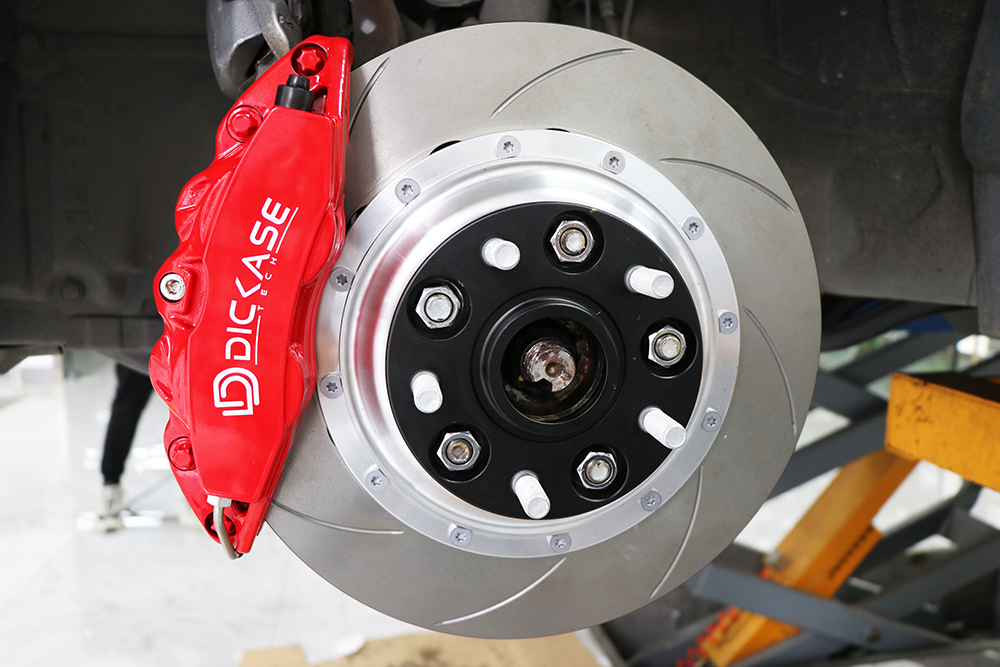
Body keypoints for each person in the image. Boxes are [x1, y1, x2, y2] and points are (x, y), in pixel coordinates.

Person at [96, 363, 153, 532]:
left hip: (186, 347)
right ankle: (110, 487)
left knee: (192, 405)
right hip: (141, 349)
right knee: (128, 403)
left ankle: (198, 492)